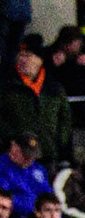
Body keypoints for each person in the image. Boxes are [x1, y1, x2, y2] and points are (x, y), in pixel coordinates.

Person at [0, 36, 73, 168]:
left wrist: (58, 141)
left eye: (28, 55)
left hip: (48, 154)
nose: (22, 60)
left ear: (39, 60)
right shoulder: (7, 86)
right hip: (17, 156)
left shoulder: (54, 88)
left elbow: (65, 118)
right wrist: (10, 140)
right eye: (20, 55)